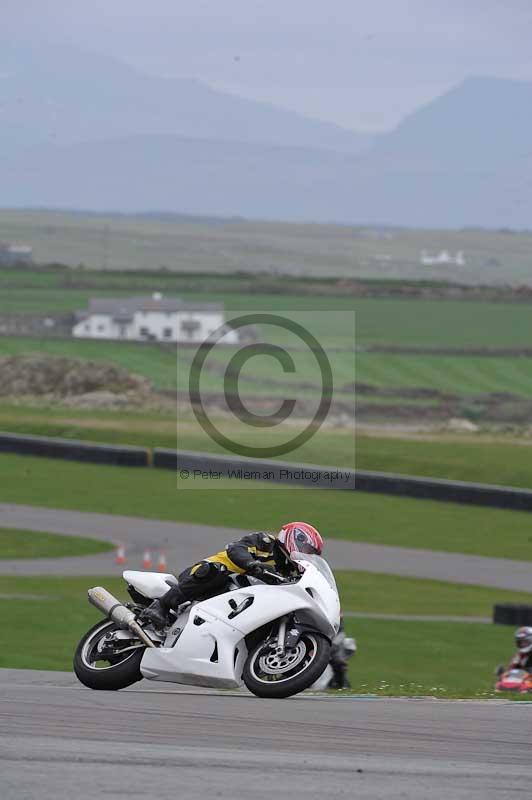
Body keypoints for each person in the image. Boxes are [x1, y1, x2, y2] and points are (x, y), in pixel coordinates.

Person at [141, 521, 324, 628]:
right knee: (216, 571)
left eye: (311, 553)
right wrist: (252, 564)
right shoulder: (266, 542)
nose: (307, 555)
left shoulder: (287, 572)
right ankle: (161, 606)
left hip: (234, 599)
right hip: (209, 576)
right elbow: (236, 548)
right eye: (307, 550)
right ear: (295, 539)